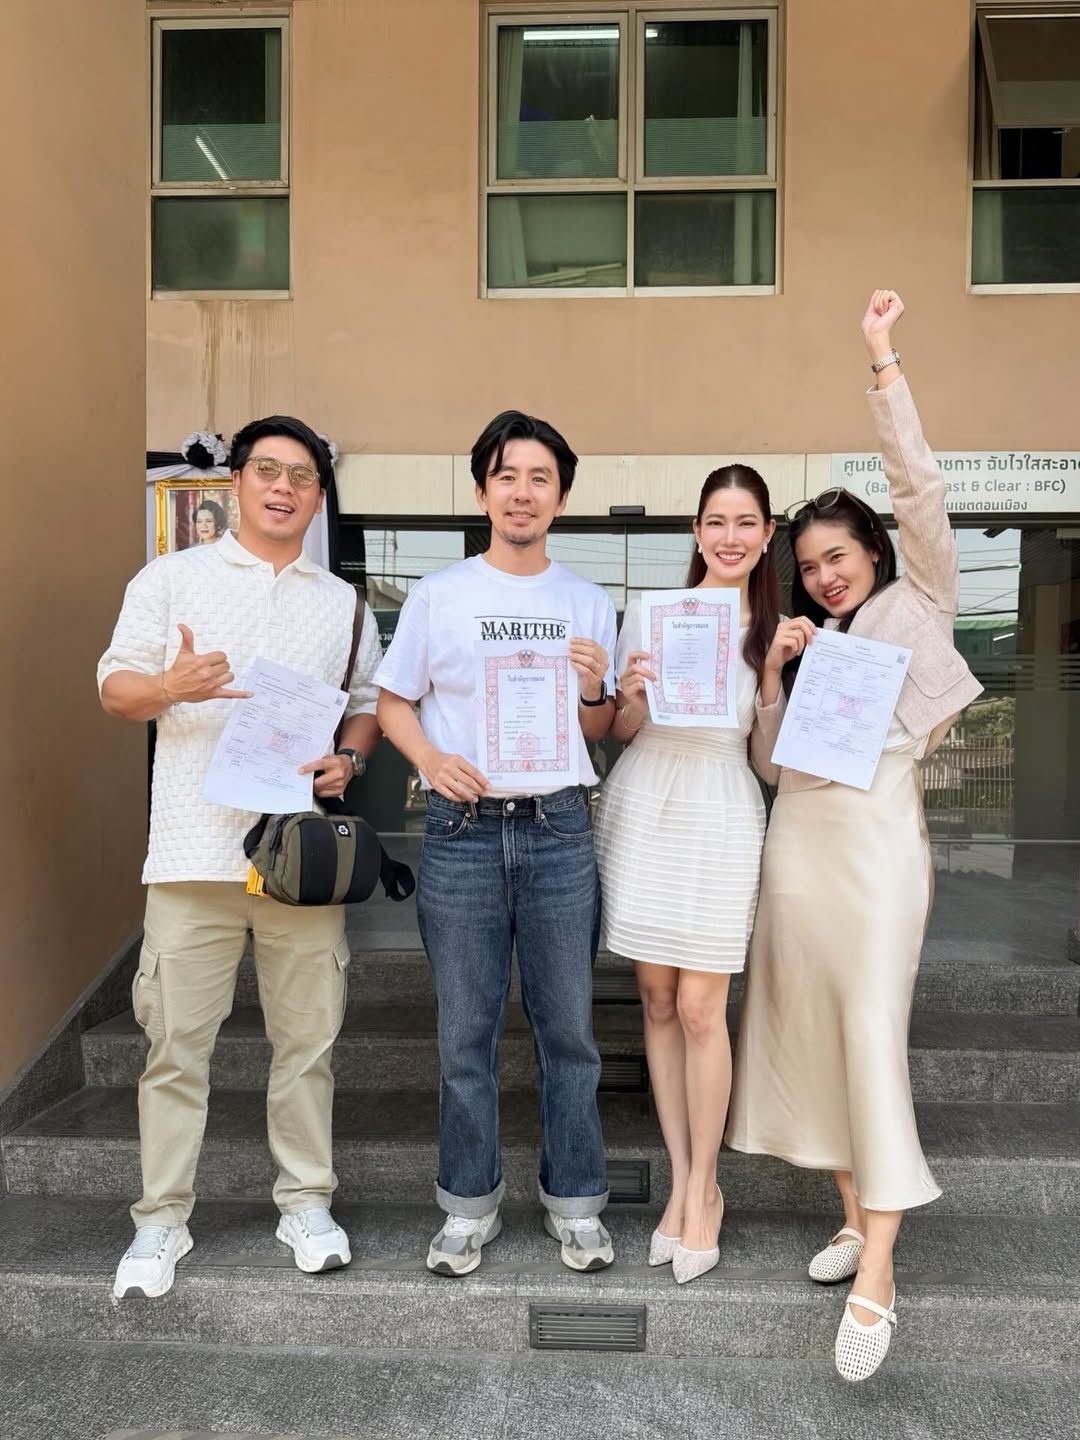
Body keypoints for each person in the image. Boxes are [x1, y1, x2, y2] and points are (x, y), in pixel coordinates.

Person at [725, 291, 983, 1382]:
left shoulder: (920, 601)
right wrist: (773, 675)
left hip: (878, 855)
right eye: (813, 563)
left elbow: (921, 487)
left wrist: (882, 361)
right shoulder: (812, 641)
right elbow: (771, 769)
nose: (827, 574)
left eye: (840, 554)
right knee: (817, 1032)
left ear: (874, 548)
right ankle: (849, 1209)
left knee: (869, 1029)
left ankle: (880, 1265)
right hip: (800, 852)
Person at [99, 416, 383, 1299]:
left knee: (308, 1044)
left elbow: (365, 703)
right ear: (236, 483)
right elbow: (113, 688)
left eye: (302, 476)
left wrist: (350, 759)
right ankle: (161, 1220)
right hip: (192, 855)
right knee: (175, 1049)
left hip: (299, 861)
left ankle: (306, 1202)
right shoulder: (169, 579)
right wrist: (168, 686)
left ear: (319, 498)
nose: (283, 487)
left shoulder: (342, 604)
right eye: (268, 470)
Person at [375, 409, 617, 1277]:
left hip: (558, 828)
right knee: (464, 1034)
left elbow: (599, 729)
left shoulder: (588, 601)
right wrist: (430, 759)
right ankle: (467, 1204)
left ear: (561, 498)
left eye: (539, 478)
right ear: (482, 491)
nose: (522, 492)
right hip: (464, 831)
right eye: (507, 475)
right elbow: (392, 701)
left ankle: (576, 1202)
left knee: (570, 1032)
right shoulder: (439, 595)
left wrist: (594, 691)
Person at [593, 467, 785, 1283]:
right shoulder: (650, 612)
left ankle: (705, 1189)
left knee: (705, 1007)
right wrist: (631, 694)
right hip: (647, 801)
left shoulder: (778, 629)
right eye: (716, 521)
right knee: (660, 1001)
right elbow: (623, 731)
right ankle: (681, 1180)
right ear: (696, 531)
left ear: (767, 535)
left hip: (721, 807)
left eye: (745, 523)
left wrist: (771, 676)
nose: (729, 537)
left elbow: (769, 766)